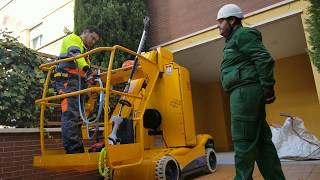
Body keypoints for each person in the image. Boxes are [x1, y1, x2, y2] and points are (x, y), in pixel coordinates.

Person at [216, 4, 285, 180]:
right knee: (262, 143)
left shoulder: (243, 34)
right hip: (245, 93)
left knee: (243, 139)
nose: (218, 25)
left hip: (244, 93)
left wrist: (268, 89)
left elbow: (263, 58)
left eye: (221, 21)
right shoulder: (233, 39)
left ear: (232, 20)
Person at [54, 26, 101, 154]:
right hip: (67, 81)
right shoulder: (73, 39)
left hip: (77, 85)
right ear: (85, 32)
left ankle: (77, 148)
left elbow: (80, 68)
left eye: (95, 41)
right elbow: (75, 55)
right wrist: (88, 70)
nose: (93, 42)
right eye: (92, 38)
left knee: (77, 117)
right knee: (70, 114)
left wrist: (90, 78)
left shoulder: (84, 52)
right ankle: (73, 150)